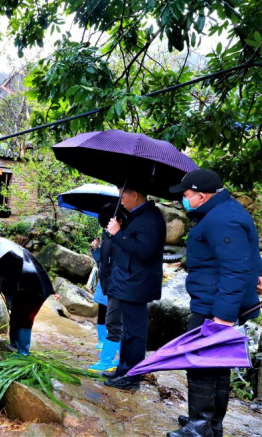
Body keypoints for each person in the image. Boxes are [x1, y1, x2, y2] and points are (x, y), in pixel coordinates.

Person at [167, 169, 262, 437]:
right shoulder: (222, 212)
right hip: (215, 300)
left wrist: (222, 317)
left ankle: (199, 425)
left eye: (185, 196)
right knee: (217, 364)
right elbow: (246, 255)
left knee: (199, 360)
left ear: (200, 195)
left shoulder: (222, 219)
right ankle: (210, 422)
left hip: (214, 306)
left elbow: (233, 269)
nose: (183, 201)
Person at [103, 183, 166, 390]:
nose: (120, 201)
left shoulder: (150, 218)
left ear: (136, 194)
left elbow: (144, 252)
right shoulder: (138, 215)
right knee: (127, 330)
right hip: (129, 281)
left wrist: (118, 233)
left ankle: (131, 377)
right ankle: (123, 370)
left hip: (137, 284)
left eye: (122, 197)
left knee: (135, 333)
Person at [88, 203, 127, 373]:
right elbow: (102, 262)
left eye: (107, 224)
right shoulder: (109, 238)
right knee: (111, 320)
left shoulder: (122, 238)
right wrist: (95, 249)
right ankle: (113, 357)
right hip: (109, 286)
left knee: (114, 323)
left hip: (117, 286)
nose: (106, 228)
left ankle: (108, 360)